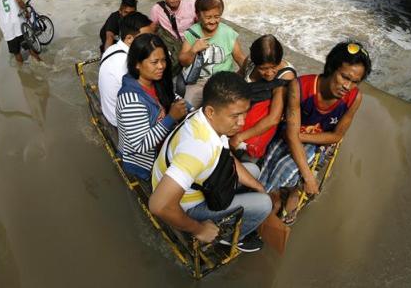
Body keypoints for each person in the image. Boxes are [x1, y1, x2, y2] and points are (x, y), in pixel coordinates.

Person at [149, 72, 272, 252]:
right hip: (185, 205)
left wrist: (258, 186)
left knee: (253, 171)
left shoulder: (206, 119)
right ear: (211, 112)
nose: (242, 122)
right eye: (235, 116)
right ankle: (231, 238)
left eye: (245, 113)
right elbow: (158, 205)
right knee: (264, 204)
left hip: (194, 184)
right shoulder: (198, 148)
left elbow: (224, 155)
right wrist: (199, 229)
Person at [258, 41, 371, 225]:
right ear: (331, 68)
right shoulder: (300, 87)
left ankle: (290, 193)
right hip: (288, 134)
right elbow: (289, 134)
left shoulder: (355, 98)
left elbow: (336, 136)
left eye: (355, 82)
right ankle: (271, 198)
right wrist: (309, 177)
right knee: (268, 167)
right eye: (344, 77)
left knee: (288, 170)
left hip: (316, 140)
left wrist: (298, 136)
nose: (348, 87)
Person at [116, 34, 188, 180]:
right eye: (154, 62)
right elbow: (141, 145)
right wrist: (171, 118)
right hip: (143, 165)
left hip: (162, 148)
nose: (161, 66)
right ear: (137, 64)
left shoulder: (154, 81)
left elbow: (172, 97)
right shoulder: (131, 100)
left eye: (163, 60)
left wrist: (192, 108)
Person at [230, 35, 297, 160]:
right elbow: (237, 80)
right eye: (263, 69)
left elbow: (273, 118)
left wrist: (240, 137)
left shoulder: (285, 76)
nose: (269, 73)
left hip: (258, 128)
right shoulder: (250, 61)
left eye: (273, 67)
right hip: (239, 114)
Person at [178, 0, 245, 108]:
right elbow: (183, 61)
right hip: (199, 82)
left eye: (217, 17)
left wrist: (244, 78)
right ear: (198, 15)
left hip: (224, 83)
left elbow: (240, 59)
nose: (213, 21)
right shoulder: (192, 33)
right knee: (187, 109)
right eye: (208, 17)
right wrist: (193, 49)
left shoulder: (228, 33)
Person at [98, 12, 153, 127]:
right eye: (146, 38)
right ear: (129, 39)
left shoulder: (112, 49)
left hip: (110, 111)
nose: (150, 42)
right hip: (120, 121)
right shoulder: (129, 63)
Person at [150, 0, 197, 77]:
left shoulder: (192, 6)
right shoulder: (157, 10)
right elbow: (150, 33)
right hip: (171, 55)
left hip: (190, 52)